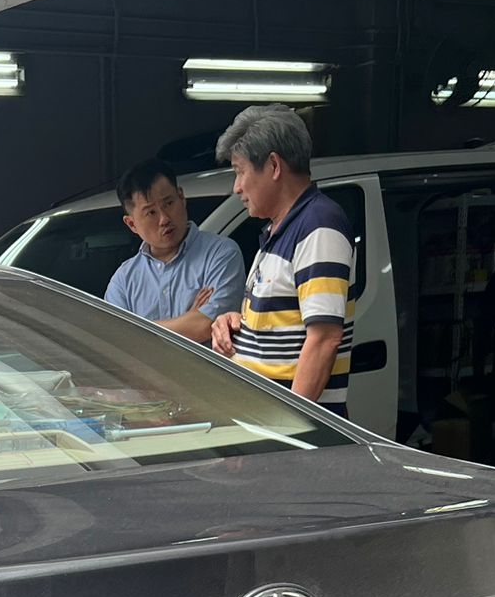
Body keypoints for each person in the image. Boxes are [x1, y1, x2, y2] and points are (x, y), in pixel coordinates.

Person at [209, 106, 356, 413]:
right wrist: (237, 324)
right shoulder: (280, 230)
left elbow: (324, 339)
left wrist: (289, 424)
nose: (237, 187)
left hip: (287, 428)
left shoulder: (318, 226)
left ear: (274, 166)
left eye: (240, 171)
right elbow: (286, 317)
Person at [103, 158, 245, 345]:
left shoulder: (221, 253)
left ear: (181, 197)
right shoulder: (123, 280)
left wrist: (137, 330)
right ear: (132, 224)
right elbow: (117, 342)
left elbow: (205, 326)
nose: (164, 219)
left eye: (169, 203)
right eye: (151, 212)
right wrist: (188, 319)